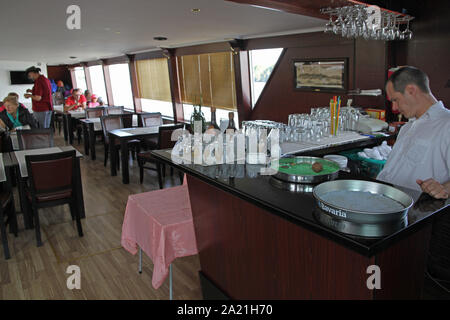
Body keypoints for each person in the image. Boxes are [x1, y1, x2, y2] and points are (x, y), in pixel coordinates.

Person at [377, 66, 450, 199]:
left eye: (395, 100)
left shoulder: (447, 124)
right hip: (386, 202)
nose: (394, 108)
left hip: (418, 212)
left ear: (411, 90)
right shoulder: (407, 127)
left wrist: (444, 188)